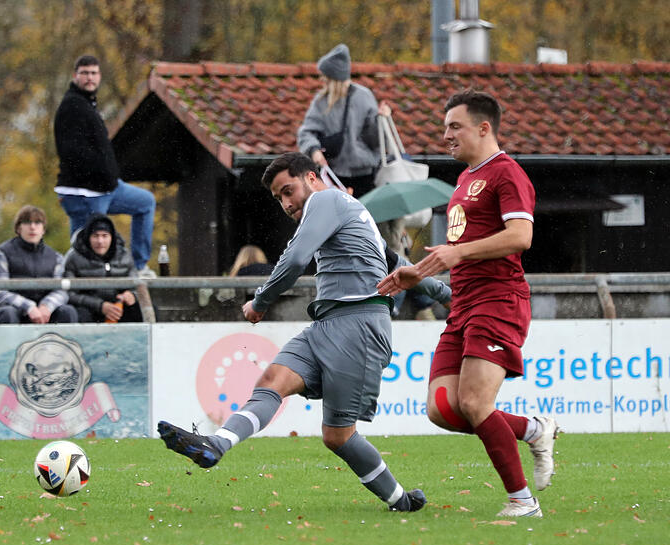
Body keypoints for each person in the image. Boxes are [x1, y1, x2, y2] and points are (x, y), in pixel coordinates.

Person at [159, 152, 434, 513]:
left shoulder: (326, 200)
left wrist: (260, 301)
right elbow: (402, 266)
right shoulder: (348, 214)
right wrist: (447, 292)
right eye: (279, 198)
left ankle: (401, 501)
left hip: (359, 326)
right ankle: (216, 444)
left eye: (288, 191)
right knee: (271, 381)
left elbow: (294, 260)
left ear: (312, 178)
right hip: (327, 324)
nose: (286, 204)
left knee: (338, 436)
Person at [378, 89, 559, 518]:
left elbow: (521, 237)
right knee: (442, 409)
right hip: (463, 305)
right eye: (445, 127)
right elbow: (455, 253)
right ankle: (533, 429)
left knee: (476, 403)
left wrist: (457, 253)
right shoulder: (464, 179)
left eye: (454, 127)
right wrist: (416, 274)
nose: (446, 135)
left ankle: (522, 502)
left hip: (498, 300)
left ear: (484, 128)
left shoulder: (507, 173)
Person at [54, 54, 157, 278]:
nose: (89, 78)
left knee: (145, 202)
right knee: (87, 244)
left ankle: (138, 266)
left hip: (108, 187)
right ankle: (75, 281)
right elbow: (69, 151)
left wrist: (109, 175)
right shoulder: (71, 105)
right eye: (85, 73)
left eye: (93, 73)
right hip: (84, 191)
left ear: (99, 76)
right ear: (75, 76)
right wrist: (97, 175)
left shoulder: (88, 104)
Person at [297, 43, 390, 199]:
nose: (322, 80)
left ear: (332, 78)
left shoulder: (363, 97)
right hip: (334, 173)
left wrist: (381, 120)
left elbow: (375, 141)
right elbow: (306, 132)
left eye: (325, 77)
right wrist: (314, 150)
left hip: (365, 174)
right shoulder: (321, 101)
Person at [0, 205, 78, 324]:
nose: (32, 227)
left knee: (68, 311)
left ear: (43, 229)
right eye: (27, 222)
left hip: (44, 313)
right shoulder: (1, 253)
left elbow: (61, 291)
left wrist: (47, 306)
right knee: (8, 313)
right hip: (11, 312)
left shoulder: (56, 257)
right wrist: (28, 307)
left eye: (37, 223)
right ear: (18, 228)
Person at [62, 213, 143, 323]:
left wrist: (131, 295)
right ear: (88, 238)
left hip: (119, 307)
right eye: (95, 236)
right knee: (79, 312)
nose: (100, 241)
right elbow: (70, 294)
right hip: (89, 309)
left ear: (112, 237)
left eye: (105, 236)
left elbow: (137, 285)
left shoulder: (125, 256)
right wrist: (100, 306)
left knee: (147, 309)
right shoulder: (74, 258)